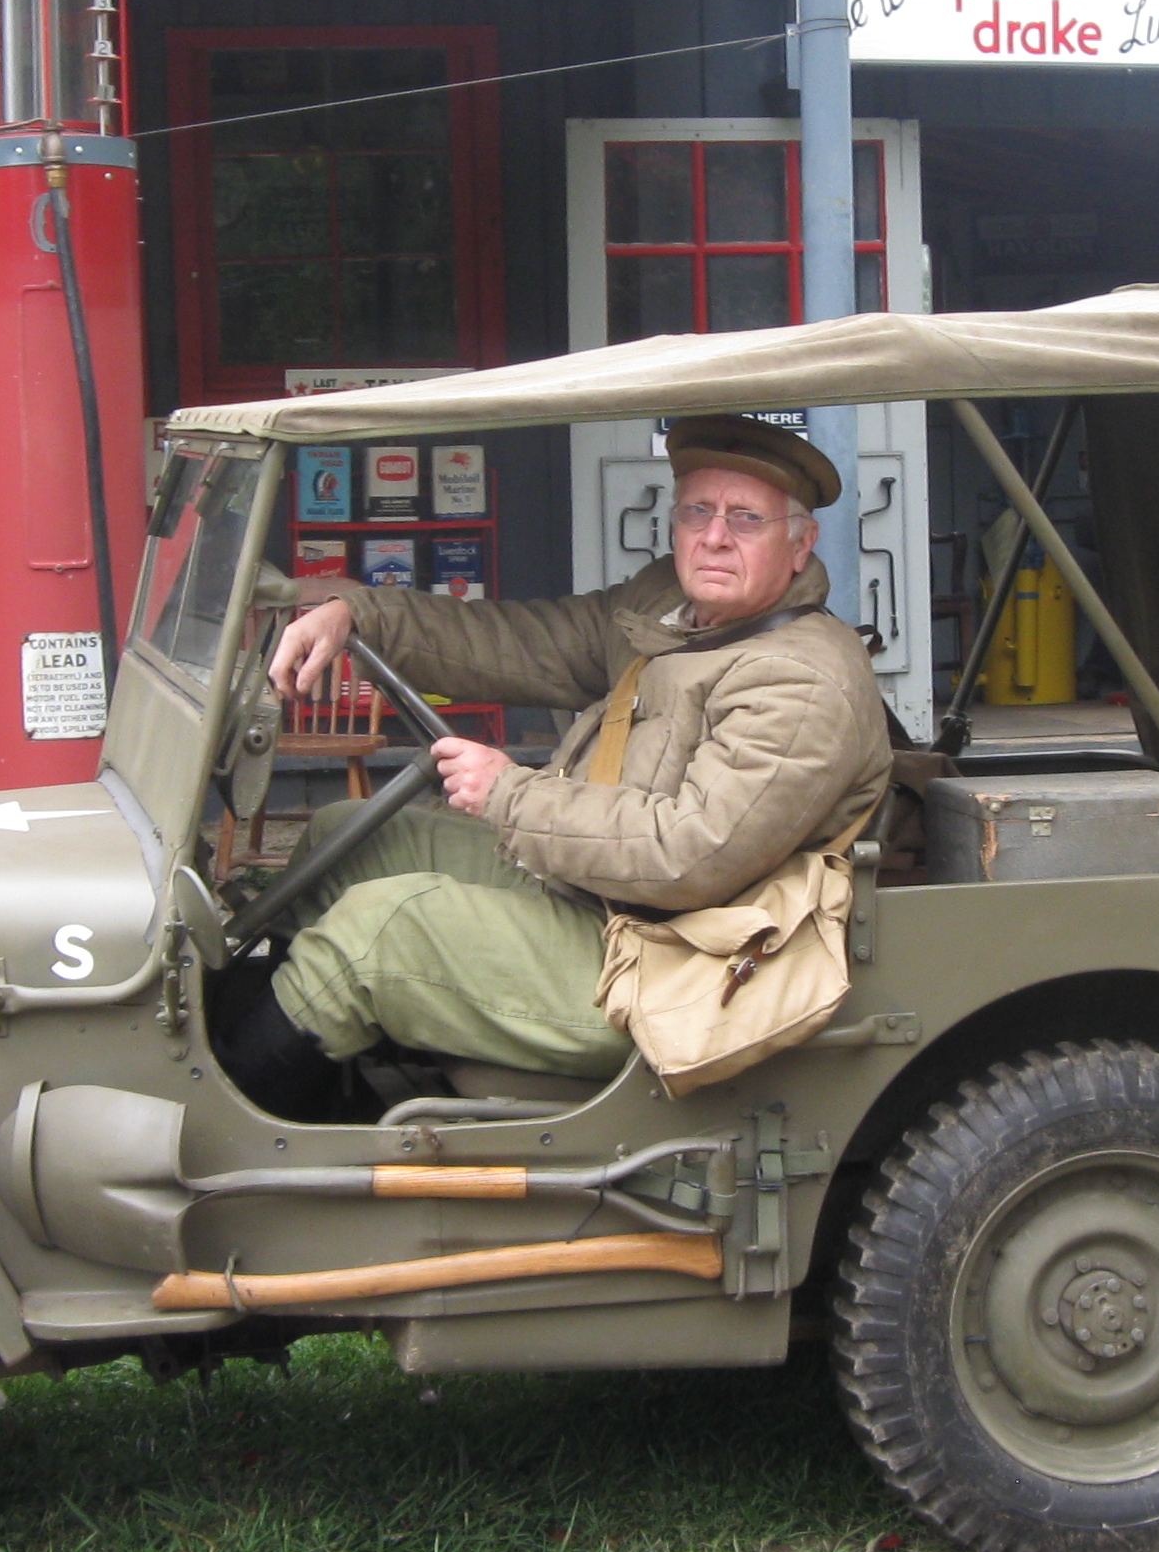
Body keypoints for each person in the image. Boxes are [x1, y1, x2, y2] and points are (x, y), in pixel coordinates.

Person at [223, 413, 891, 1107]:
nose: (714, 536)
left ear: (800, 544)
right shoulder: (668, 612)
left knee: (380, 932)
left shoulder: (802, 682)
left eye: (746, 519)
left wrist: (511, 794)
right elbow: (522, 642)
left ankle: (236, 1114)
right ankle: (306, 1063)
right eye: (698, 511)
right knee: (348, 840)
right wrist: (360, 615)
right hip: (597, 891)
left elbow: (691, 853)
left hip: (679, 960)